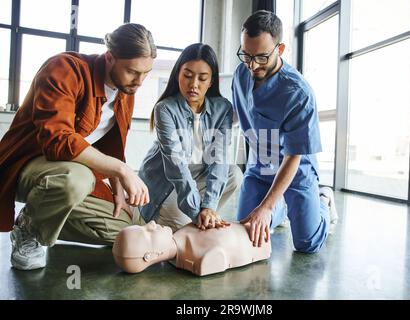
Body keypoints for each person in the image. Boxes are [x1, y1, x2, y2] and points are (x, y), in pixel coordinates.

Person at [0, 23, 156, 270]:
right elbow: (58, 140)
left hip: (67, 174)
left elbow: (110, 145)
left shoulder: (126, 90)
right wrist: (123, 171)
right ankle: (27, 229)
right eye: (132, 71)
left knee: (124, 230)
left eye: (146, 73)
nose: (139, 81)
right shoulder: (63, 69)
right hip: (27, 168)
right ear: (109, 58)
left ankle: (48, 222)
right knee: (77, 179)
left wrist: (117, 187)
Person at [232, 10, 338, 253]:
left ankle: (323, 200)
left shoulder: (299, 93)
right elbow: (237, 114)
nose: (252, 65)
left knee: (306, 244)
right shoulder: (241, 75)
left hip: (295, 168)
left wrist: (266, 207)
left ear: (279, 50)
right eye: (246, 55)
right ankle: (277, 205)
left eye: (261, 57)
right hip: (260, 166)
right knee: (247, 229)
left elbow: (294, 156)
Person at [139, 43, 243, 232]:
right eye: (187, 75)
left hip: (196, 175)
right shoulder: (165, 109)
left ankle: (205, 215)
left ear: (211, 81)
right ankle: (197, 216)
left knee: (234, 174)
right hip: (167, 183)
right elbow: (176, 167)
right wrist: (196, 212)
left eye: (202, 78)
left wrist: (209, 206)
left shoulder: (223, 108)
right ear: (178, 74)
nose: (193, 84)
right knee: (187, 232)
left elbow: (219, 158)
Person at [112, 220, 271, 276]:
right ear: (151, 255)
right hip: (260, 238)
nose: (151, 223)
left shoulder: (182, 233)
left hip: (253, 227)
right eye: (147, 233)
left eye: (144, 226)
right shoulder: (203, 259)